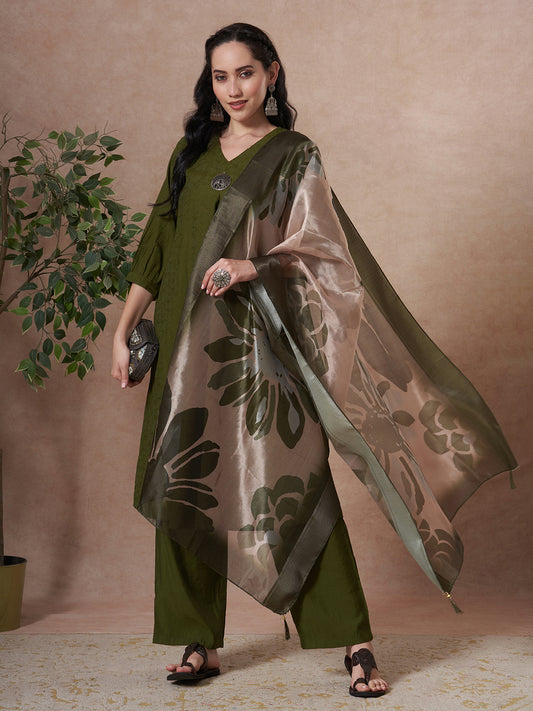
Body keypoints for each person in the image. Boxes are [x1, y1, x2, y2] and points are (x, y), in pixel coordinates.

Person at [112, 23, 515, 699]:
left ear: (271, 73)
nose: (233, 88)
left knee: (298, 482)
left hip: (256, 349)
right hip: (182, 345)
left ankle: (352, 637)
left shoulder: (293, 154)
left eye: (245, 73)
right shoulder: (192, 152)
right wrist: (123, 330)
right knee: (184, 479)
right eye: (220, 76)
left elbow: (326, 256)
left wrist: (253, 265)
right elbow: (156, 244)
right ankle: (197, 640)